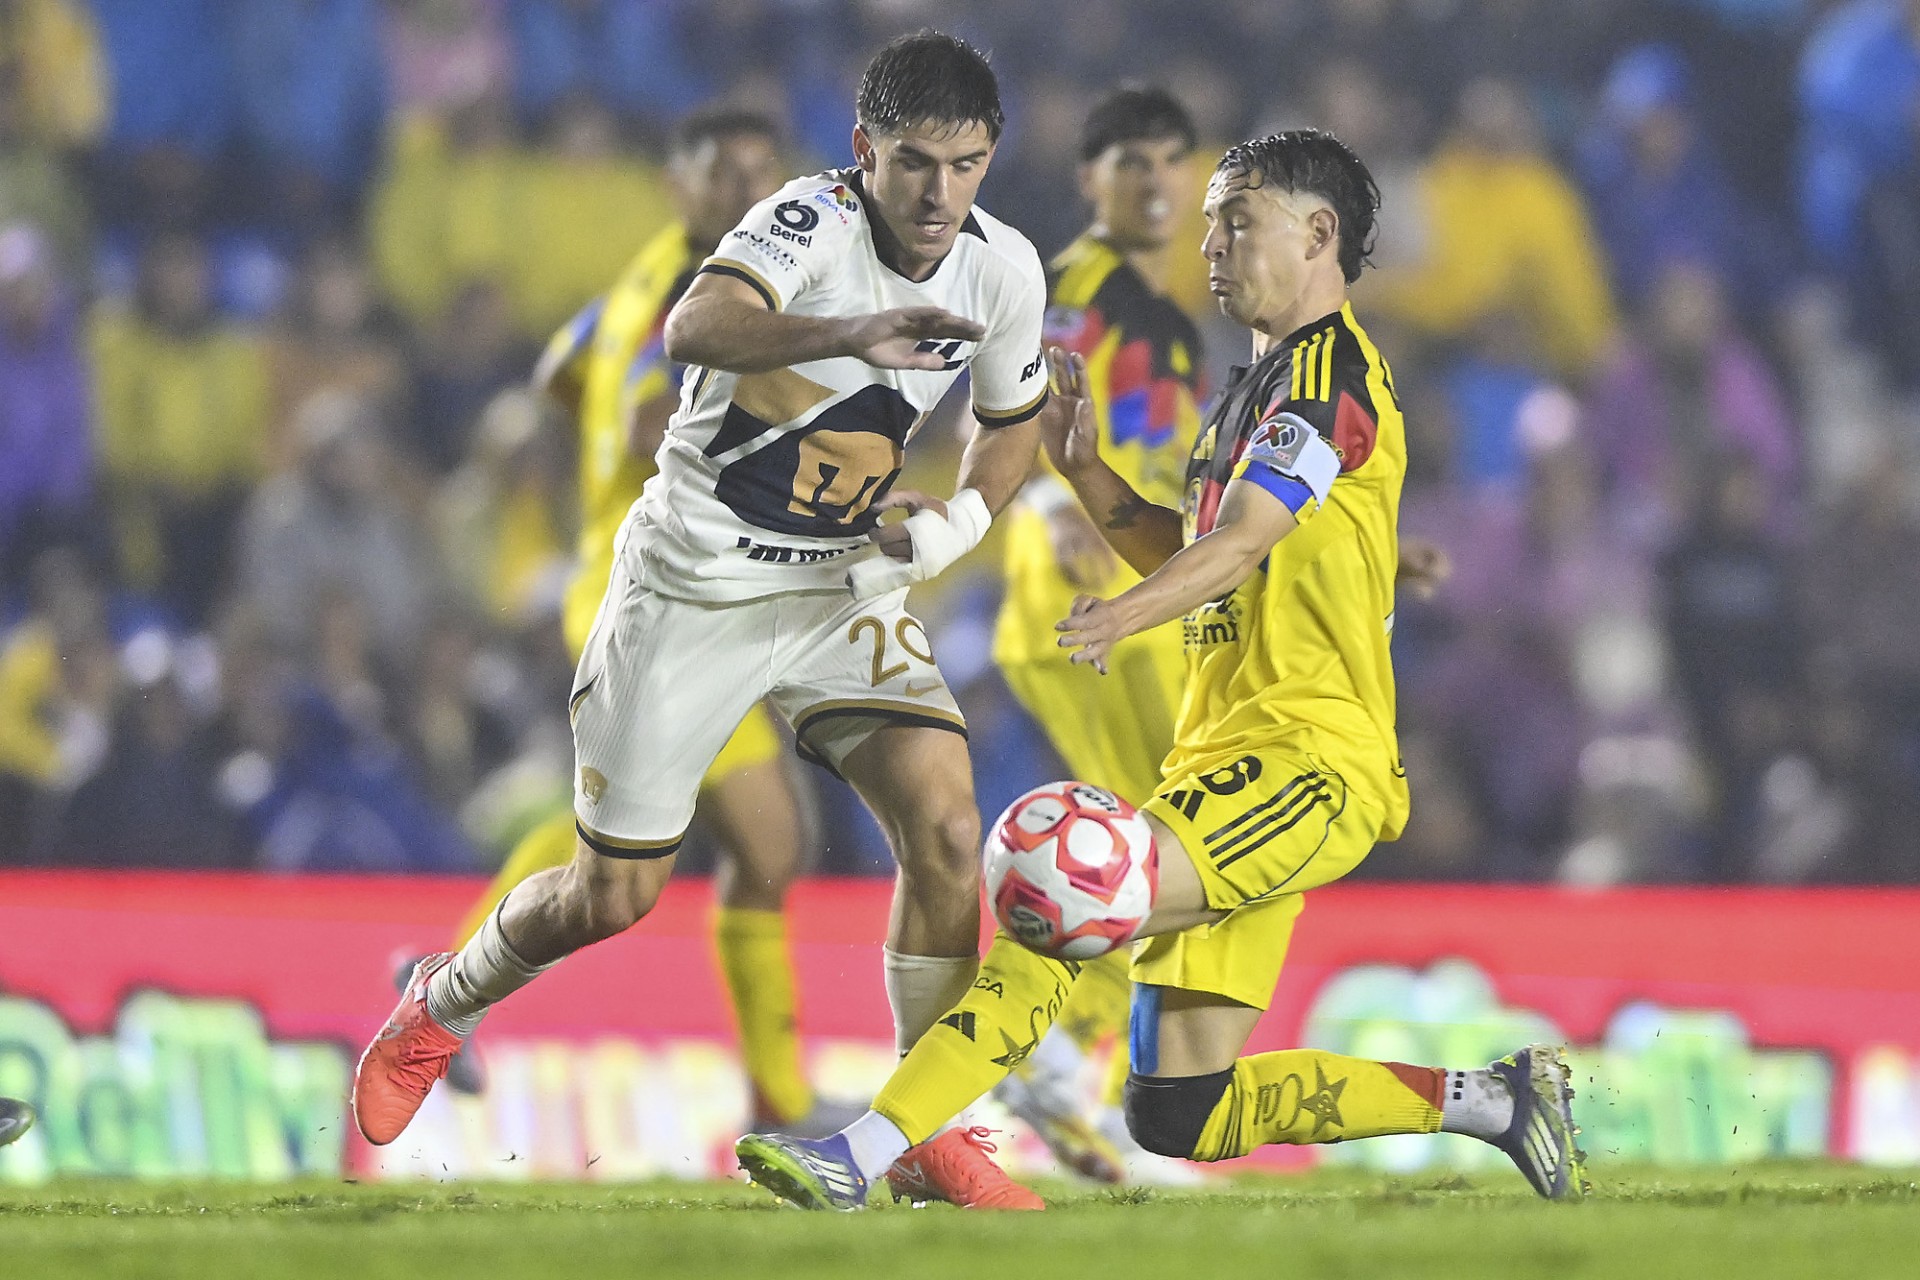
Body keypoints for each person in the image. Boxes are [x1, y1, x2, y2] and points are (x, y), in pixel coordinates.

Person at [737, 130, 1586, 1210]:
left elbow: (1238, 545)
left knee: (1060, 897)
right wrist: (1088, 472)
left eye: (1238, 221)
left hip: (1304, 757)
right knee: (1181, 1108)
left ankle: (862, 1153)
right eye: (1210, 223)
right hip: (1227, 756)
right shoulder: (1250, 393)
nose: (1211, 243)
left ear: (1319, 233)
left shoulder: (1330, 381)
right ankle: (1499, 1101)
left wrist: (1120, 618)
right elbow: (1193, 549)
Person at [353, 33, 1054, 1211]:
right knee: (611, 895)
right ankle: (441, 999)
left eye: (967, 164)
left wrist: (962, 523)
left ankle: (920, 1127)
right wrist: (845, 335)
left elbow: (1011, 415)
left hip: (837, 583)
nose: (940, 193)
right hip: (692, 588)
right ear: (864, 149)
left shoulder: (1006, 269)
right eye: (915, 163)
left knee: (944, 825)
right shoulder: (804, 221)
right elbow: (695, 327)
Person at [416, 106, 852, 1134]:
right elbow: (660, 421)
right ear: (678, 183)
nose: (746, 191)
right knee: (636, 859)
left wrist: (597, 477)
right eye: (723, 172)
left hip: (658, 588)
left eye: (762, 172)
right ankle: (444, 981)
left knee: (756, 841)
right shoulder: (693, 294)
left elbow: (557, 378)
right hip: (658, 599)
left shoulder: (641, 279)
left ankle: (778, 1094)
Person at [987, 85, 1206, 1184]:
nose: (1154, 181)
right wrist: (1047, 502)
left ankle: (1076, 1072)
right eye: (1131, 161)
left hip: (1142, 599)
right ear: (1090, 179)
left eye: (1170, 160)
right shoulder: (1078, 287)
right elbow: (1015, 398)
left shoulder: (1167, 318)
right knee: (1168, 851)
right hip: (1088, 599)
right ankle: (1060, 1057)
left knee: (1158, 845)